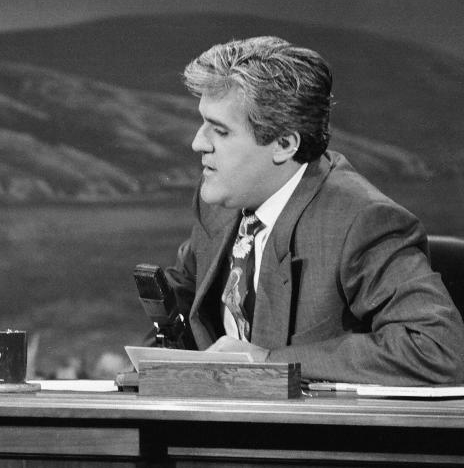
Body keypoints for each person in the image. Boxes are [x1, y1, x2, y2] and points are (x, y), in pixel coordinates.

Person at [163, 36, 464, 385]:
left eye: (220, 130)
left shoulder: (362, 222)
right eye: (202, 122)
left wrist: (270, 363)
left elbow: (437, 349)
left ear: (284, 144)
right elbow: (182, 304)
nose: (198, 142)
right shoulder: (217, 201)